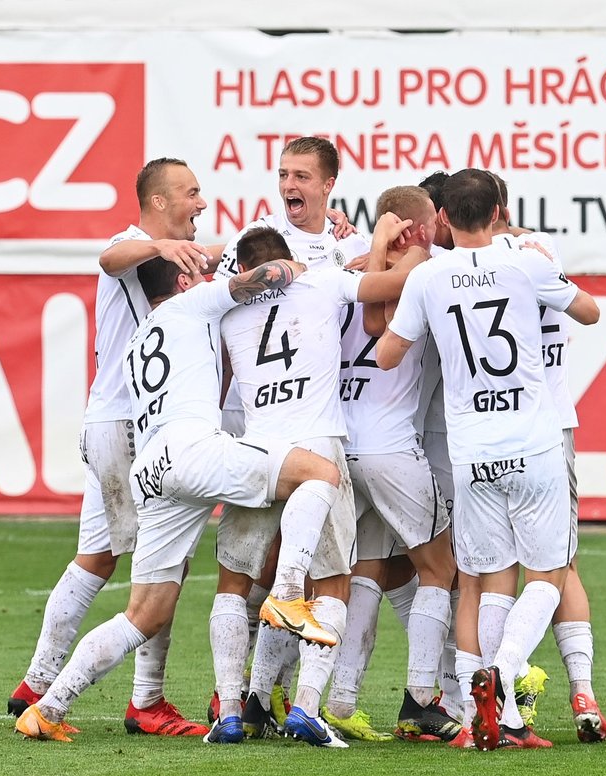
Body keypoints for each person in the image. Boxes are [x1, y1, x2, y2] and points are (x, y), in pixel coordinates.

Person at [14, 245, 344, 743]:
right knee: (320, 472)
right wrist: (303, 265)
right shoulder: (193, 303)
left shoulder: (136, 342)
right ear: (184, 281)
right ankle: (290, 595)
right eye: (198, 271)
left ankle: (47, 708)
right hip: (192, 449)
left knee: (143, 614)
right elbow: (265, 277)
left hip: (152, 470)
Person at [376, 168, 600, 751]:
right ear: (499, 210)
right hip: (533, 440)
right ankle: (500, 677)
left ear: (443, 218)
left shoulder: (427, 277)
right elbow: (591, 312)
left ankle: (496, 720)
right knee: (548, 574)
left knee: (488, 580)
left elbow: (387, 355)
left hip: (472, 449)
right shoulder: (526, 261)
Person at [7, 158, 215, 738]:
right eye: (191, 192)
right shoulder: (133, 246)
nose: (200, 202)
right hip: (132, 427)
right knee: (163, 568)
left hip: (111, 424)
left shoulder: (172, 257)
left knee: (96, 558)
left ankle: (36, 680)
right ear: (156, 201)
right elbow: (109, 256)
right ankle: (146, 701)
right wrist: (158, 248)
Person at [219, 219, 428, 747]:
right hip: (317, 449)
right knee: (332, 580)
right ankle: (307, 707)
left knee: (235, 584)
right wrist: (383, 242)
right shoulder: (324, 281)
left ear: (244, 270)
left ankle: (234, 708)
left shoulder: (225, 308)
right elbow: (399, 281)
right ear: (288, 259)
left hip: (255, 451)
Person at [322, 185, 460, 743]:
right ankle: (423, 699)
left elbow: (369, 307)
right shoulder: (429, 268)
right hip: (389, 447)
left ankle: (342, 698)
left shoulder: (353, 266)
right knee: (440, 569)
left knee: (366, 569)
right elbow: (380, 327)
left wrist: (375, 246)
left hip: (340, 443)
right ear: (423, 229)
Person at [490, 172, 606, 743]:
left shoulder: (463, 263)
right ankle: (573, 691)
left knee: (490, 573)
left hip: (483, 430)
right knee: (560, 565)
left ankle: (491, 688)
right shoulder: (539, 251)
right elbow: (587, 311)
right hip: (548, 425)